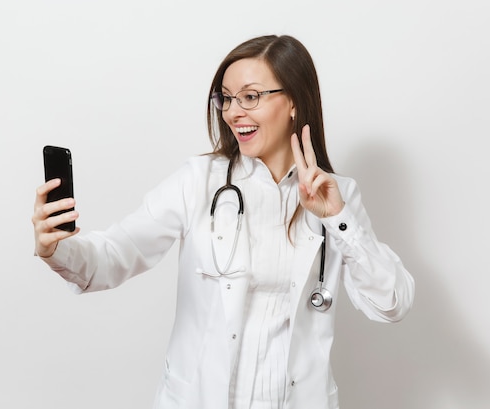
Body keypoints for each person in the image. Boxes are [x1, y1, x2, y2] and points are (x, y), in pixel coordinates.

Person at [32, 34, 415, 409]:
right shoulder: (198, 180)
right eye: (227, 98)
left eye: (250, 96)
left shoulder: (337, 194)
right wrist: (58, 248)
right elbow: (114, 255)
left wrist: (339, 219)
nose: (233, 112)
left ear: (295, 102)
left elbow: (391, 303)